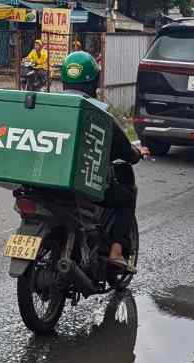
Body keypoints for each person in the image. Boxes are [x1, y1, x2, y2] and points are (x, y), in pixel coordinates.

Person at [60, 50, 142, 273]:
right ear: (93, 83)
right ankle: (116, 252)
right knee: (126, 198)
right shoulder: (98, 112)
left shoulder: (51, 105)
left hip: (44, 183)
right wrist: (136, 154)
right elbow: (124, 148)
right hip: (81, 187)